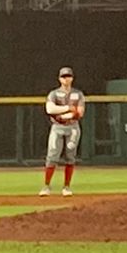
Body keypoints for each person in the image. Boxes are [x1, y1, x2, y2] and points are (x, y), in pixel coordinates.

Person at [40, 66, 85, 196]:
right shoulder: (53, 93)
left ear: (72, 78)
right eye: (64, 77)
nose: (66, 79)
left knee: (70, 157)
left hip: (73, 127)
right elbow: (50, 109)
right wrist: (69, 108)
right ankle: (46, 186)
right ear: (59, 79)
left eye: (68, 76)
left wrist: (65, 114)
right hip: (57, 127)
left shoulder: (78, 94)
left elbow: (79, 113)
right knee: (52, 156)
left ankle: (66, 187)